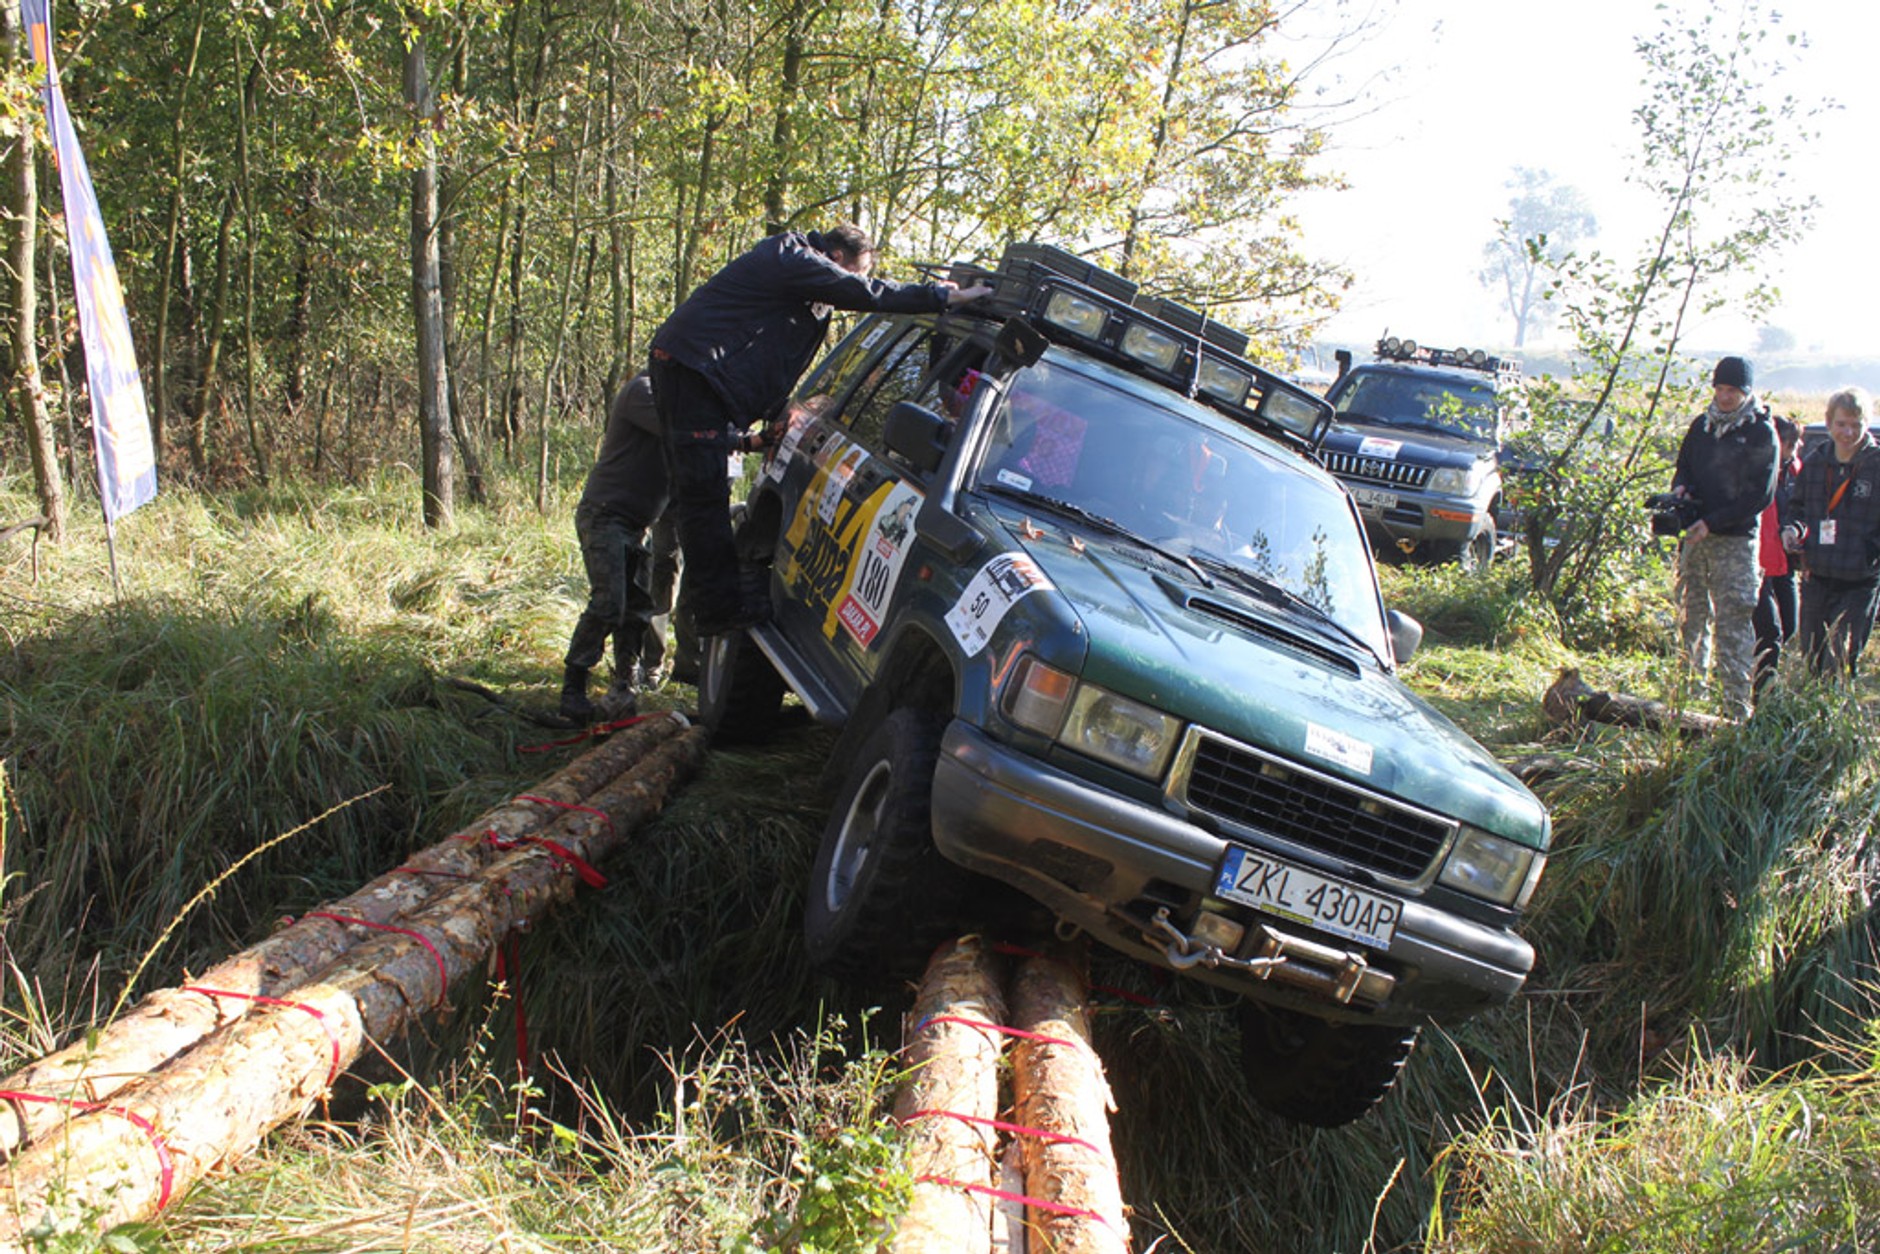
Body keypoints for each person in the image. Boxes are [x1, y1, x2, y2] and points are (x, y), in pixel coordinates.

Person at [646, 224, 992, 637]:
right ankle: (718, 612)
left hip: (700, 375)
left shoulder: (802, 289)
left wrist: (780, 408)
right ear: (839, 259)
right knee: (704, 498)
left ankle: (715, 608)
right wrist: (942, 296)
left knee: (702, 495)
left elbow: (772, 355)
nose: (857, 282)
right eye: (857, 272)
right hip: (693, 373)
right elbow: (865, 294)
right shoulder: (791, 257)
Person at [558, 373, 763, 722]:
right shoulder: (645, 392)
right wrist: (746, 441)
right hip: (606, 515)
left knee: (636, 610)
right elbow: (683, 435)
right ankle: (573, 688)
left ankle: (624, 685)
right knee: (610, 603)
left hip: (638, 524)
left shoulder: (685, 407)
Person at [1667, 355, 1777, 717]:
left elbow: (1760, 495)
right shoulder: (1702, 426)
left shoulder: (1761, 431)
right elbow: (1684, 466)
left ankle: (1735, 710)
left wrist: (1713, 521)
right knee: (1692, 617)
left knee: (1733, 622)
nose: (1726, 397)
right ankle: (1689, 705)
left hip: (1734, 539)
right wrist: (1681, 490)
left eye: (1733, 390)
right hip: (1696, 536)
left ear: (1746, 392)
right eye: (1721, 388)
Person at [1781, 387, 1880, 678]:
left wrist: (1870, 553)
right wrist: (1791, 530)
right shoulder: (1815, 462)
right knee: (1812, 658)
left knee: (1838, 663)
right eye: (1841, 424)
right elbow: (1797, 508)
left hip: (1858, 581)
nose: (1848, 432)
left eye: (1855, 425)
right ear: (1828, 423)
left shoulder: (1876, 464)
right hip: (1817, 576)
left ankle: (1836, 719)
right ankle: (1816, 721)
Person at [1751, 415, 1802, 692]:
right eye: (1788, 442)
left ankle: (1771, 683)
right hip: (1760, 563)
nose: (1792, 448)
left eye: (1794, 443)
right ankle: (1763, 692)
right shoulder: (1757, 471)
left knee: (1790, 627)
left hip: (1787, 562)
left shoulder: (1795, 471)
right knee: (1770, 633)